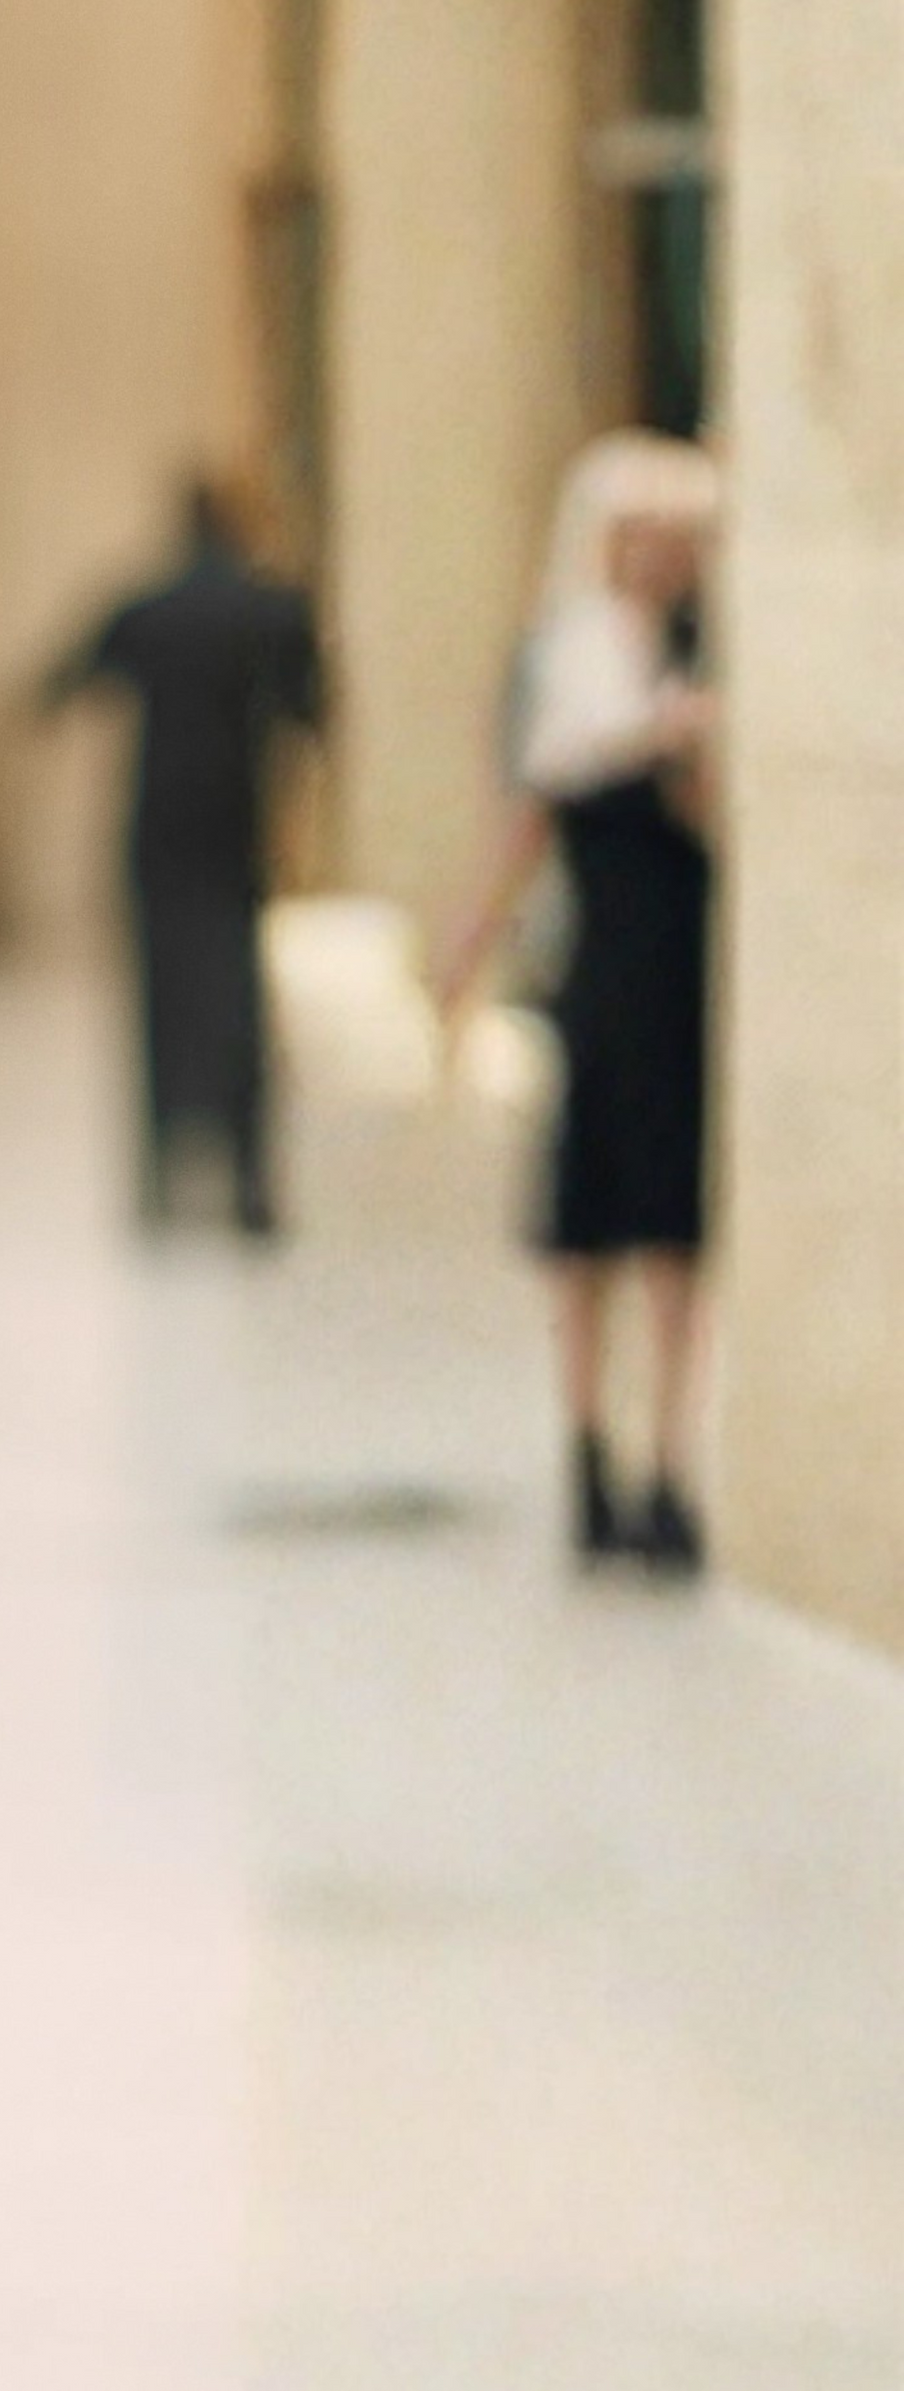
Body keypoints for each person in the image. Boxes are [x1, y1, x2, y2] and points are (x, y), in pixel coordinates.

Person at [437, 430, 721, 1572]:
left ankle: (670, 1459)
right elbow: (538, 805)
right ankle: (590, 1445)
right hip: (607, 967)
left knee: (670, 1223)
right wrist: (469, 940)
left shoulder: (694, 657)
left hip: (679, 965)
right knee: (591, 1216)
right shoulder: (576, 663)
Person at [43, 469, 322, 1236]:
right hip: (236, 822)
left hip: (158, 825)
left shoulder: (148, 608)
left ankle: (164, 1173)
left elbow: (59, 685)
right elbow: (313, 710)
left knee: (163, 999)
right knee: (237, 995)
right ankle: (249, 1180)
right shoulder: (270, 609)